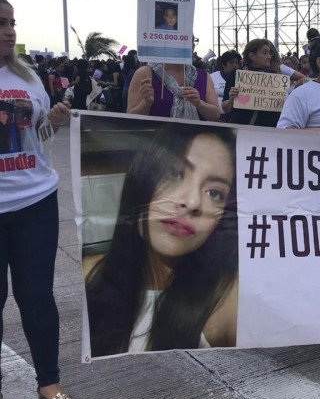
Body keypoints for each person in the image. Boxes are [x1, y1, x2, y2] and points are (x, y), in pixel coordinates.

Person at [83, 124, 238, 356]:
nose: (193, 202)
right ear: (142, 177)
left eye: (214, 193)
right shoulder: (88, 274)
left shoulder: (228, 300)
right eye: (175, 173)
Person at [0, 0, 75, 399]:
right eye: (1, 23)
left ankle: (48, 379)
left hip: (35, 202)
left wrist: (55, 121)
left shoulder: (27, 77)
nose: (11, 30)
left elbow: (38, 138)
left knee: (37, 296)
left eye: (12, 22)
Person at [223, 40, 301, 127]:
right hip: (243, 129)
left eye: (269, 53)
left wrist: (288, 92)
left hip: (269, 130)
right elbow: (225, 108)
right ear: (252, 55)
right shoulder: (236, 75)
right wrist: (230, 99)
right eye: (265, 53)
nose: (269, 57)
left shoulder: (275, 78)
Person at [127, 59, 220, 121]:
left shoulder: (203, 76)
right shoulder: (146, 73)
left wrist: (199, 104)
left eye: (192, 40)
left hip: (195, 145)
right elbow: (131, 118)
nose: (191, 44)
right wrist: (146, 103)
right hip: (157, 145)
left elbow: (215, 115)